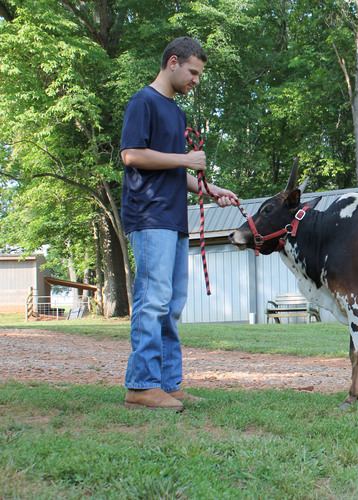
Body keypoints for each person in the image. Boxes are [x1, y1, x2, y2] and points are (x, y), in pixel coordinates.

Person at [120, 37, 239, 411]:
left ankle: (168, 384)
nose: (196, 80)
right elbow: (131, 154)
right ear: (173, 62)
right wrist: (186, 160)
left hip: (175, 218)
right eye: (193, 72)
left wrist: (210, 188)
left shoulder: (177, 113)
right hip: (149, 215)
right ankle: (140, 385)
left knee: (171, 305)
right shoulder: (143, 102)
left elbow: (176, 170)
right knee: (152, 300)